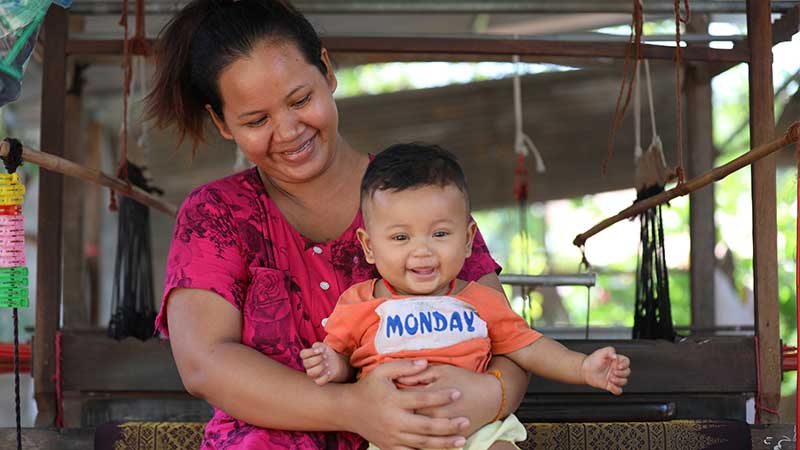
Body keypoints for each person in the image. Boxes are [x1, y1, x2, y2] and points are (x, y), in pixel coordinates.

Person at [145, 0, 532, 448]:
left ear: (327, 71)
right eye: (256, 120)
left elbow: (509, 343)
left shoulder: (422, 195)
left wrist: (487, 395)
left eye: (301, 100)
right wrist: (355, 409)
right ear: (222, 122)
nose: (288, 130)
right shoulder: (216, 214)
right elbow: (204, 365)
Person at [300, 144, 632, 450]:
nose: (422, 251)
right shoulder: (359, 302)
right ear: (369, 246)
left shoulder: (481, 300)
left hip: (477, 431)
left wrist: (583, 367)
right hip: (399, 434)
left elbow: (529, 347)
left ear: (469, 238)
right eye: (401, 237)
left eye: (440, 234)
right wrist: (332, 364)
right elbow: (344, 358)